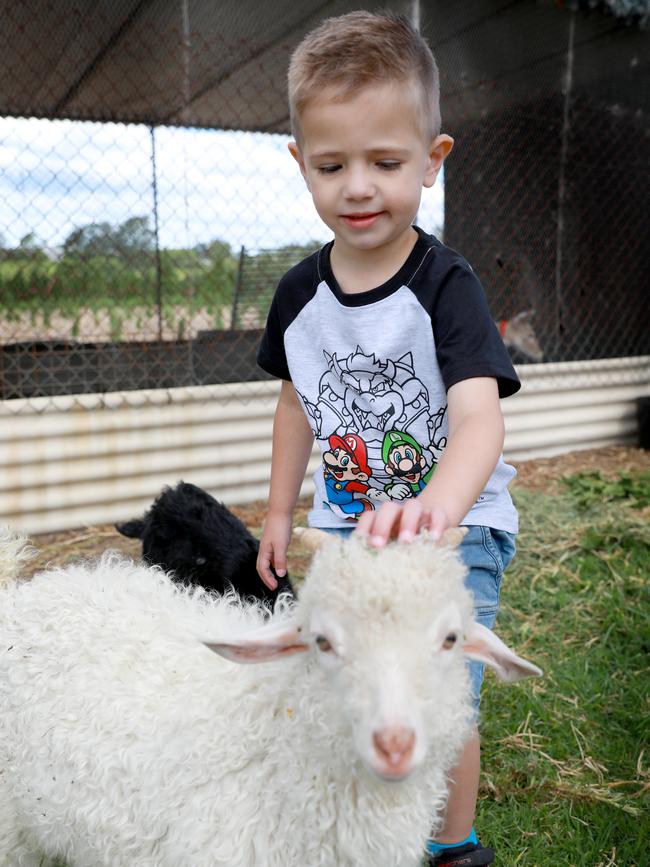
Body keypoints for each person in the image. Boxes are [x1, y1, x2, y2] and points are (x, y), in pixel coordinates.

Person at [256, 11, 520, 866]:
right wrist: (277, 513)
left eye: (386, 162)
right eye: (332, 165)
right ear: (301, 164)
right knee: (353, 676)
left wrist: (435, 510)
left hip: (455, 524)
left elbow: (479, 415)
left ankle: (451, 844)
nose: (358, 186)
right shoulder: (299, 295)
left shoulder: (447, 286)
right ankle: (354, 821)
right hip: (346, 530)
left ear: (433, 161)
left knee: (440, 689)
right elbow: (297, 406)